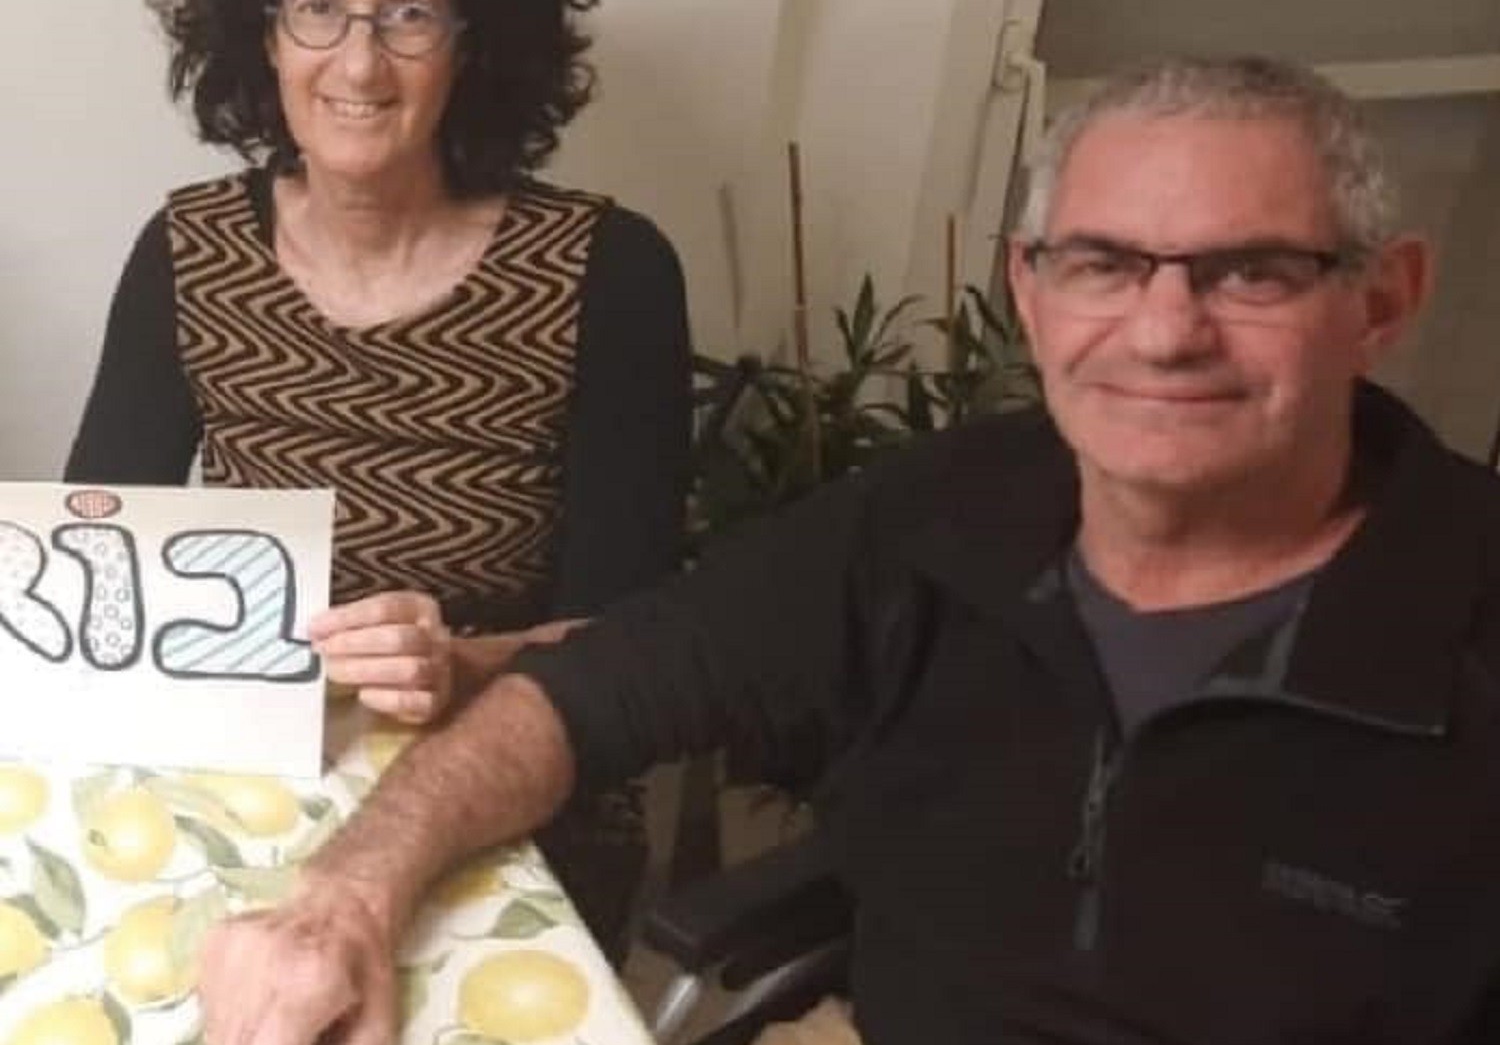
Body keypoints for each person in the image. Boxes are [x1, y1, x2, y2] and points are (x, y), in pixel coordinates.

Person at [198, 53, 1500, 1045]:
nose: (1165, 332)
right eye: (1103, 264)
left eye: (1251, 273)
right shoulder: (945, 509)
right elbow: (603, 684)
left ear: (1382, 300)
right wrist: (344, 898)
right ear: (1030, 290)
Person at [65, 0, 691, 962]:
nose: (358, 67)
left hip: (510, 795)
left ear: (474, 42)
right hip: (239, 773)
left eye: (409, 17)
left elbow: (636, 640)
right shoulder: (189, 252)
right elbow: (98, 548)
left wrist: (461, 662)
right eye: (319, 10)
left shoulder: (611, 272)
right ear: (264, 31)